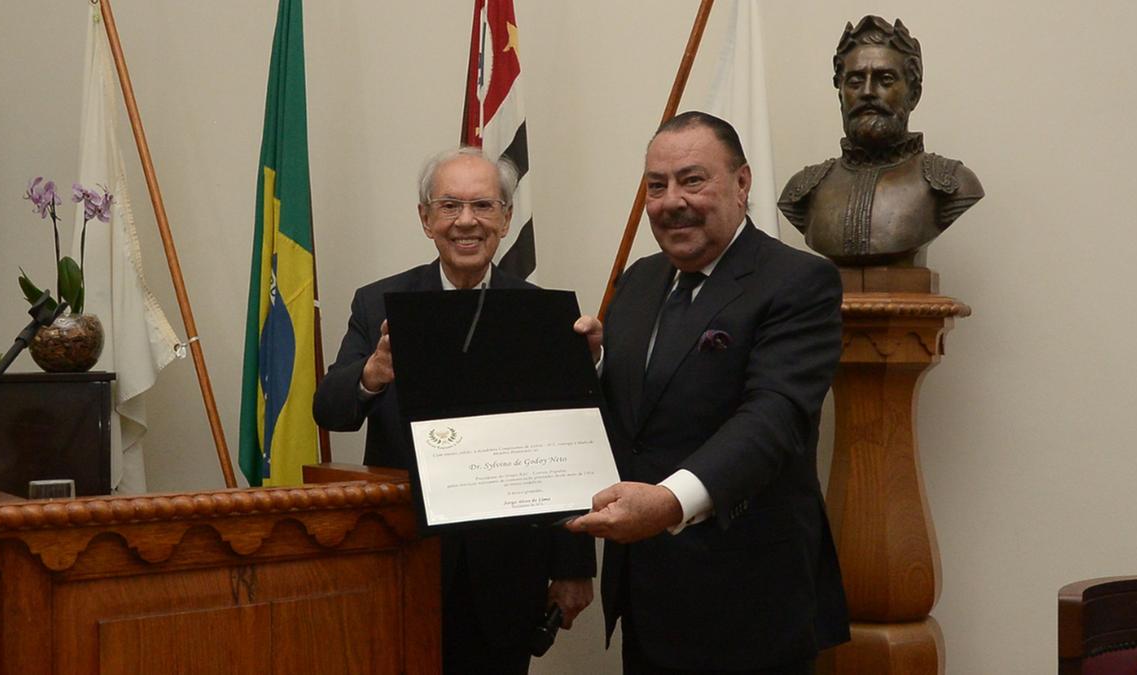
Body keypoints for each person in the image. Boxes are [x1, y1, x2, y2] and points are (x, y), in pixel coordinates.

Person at [567, 112, 849, 673]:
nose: (672, 201)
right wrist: (592, 369)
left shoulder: (798, 281)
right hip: (647, 594)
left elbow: (774, 417)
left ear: (742, 183)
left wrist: (670, 502)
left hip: (748, 603)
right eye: (656, 185)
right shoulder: (640, 282)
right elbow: (642, 418)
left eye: (692, 180)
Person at [314, 147, 594, 675]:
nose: (466, 221)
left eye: (484, 206)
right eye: (449, 206)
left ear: (507, 219)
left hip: (509, 569)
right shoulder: (379, 303)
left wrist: (574, 566)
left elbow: (567, 444)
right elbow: (330, 409)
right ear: (426, 219)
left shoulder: (540, 313)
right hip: (406, 559)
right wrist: (371, 374)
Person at [778, 15, 983, 267]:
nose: (867, 92)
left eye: (885, 80)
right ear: (840, 93)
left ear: (914, 94)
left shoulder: (953, 183)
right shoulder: (803, 191)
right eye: (854, 81)